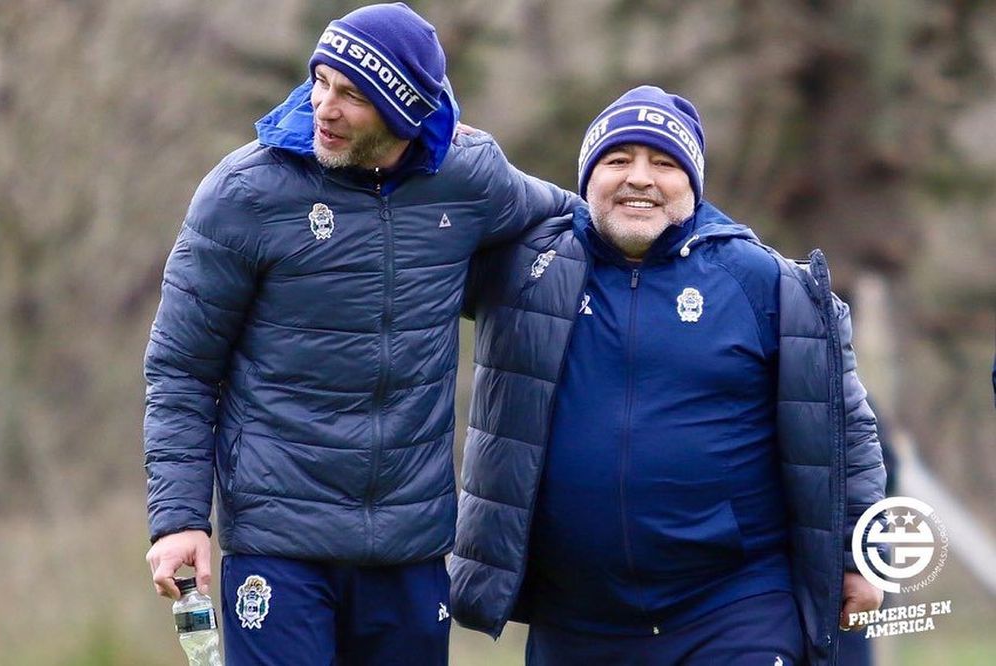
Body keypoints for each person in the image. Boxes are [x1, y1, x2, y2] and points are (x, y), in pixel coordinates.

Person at [142, 3, 576, 664]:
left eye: (351, 95)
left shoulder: (469, 176)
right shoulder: (244, 193)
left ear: (405, 115)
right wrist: (179, 521)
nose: (323, 106)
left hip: (411, 549)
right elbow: (181, 368)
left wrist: (724, 260)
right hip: (278, 546)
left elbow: (575, 226)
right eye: (320, 82)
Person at [450, 86, 886, 665]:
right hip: (576, 616)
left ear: (693, 183)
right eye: (617, 160)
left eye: (664, 162)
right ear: (586, 180)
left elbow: (845, 428)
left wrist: (861, 554)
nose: (640, 178)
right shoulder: (528, 266)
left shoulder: (766, 283)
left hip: (732, 607)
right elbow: (417, 221)